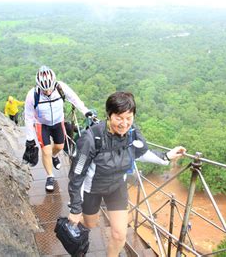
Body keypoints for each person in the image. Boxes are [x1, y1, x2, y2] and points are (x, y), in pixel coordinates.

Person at [67, 91, 186, 257]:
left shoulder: (132, 133)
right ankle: (78, 231)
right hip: (92, 188)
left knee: (119, 235)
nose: (124, 124)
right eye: (119, 118)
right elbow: (77, 174)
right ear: (109, 115)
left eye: (129, 118)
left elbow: (142, 152)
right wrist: (75, 207)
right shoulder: (91, 138)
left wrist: (166, 156)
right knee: (90, 224)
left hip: (117, 187)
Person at [24, 66, 93, 192]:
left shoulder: (61, 87)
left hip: (57, 122)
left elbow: (74, 99)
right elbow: (28, 117)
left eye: (49, 89)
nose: (48, 92)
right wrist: (29, 139)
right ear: (39, 86)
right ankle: (50, 176)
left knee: (60, 147)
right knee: (45, 151)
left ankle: (54, 156)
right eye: (45, 90)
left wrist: (85, 111)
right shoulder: (32, 95)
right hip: (41, 124)